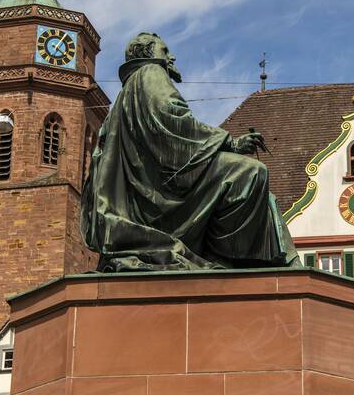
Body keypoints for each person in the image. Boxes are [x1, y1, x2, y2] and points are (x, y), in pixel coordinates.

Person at [81, 32, 300, 271]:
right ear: (147, 54)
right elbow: (172, 120)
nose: (171, 57)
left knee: (264, 196)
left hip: (153, 185)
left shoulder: (130, 89)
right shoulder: (151, 73)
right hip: (163, 189)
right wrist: (231, 143)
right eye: (165, 51)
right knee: (251, 173)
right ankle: (227, 259)